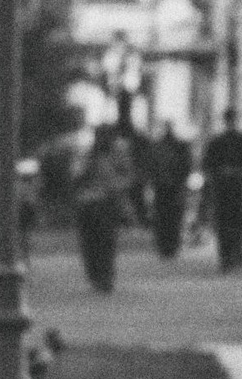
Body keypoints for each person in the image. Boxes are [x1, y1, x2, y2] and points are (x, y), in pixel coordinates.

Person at [73, 123, 136, 293]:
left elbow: (128, 177)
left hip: (107, 202)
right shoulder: (87, 154)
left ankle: (105, 276)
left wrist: (115, 185)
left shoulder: (118, 155)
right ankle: (95, 275)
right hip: (88, 202)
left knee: (106, 241)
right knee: (90, 242)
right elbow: (76, 176)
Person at [200, 110, 242, 273]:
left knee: (226, 221)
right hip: (234, 186)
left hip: (225, 186)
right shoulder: (241, 140)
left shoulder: (220, 141)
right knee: (235, 220)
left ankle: (228, 255)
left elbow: (207, 164)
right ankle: (233, 254)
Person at [144, 124, 192, 260]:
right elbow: (186, 167)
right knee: (173, 217)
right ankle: (171, 246)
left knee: (163, 217)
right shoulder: (180, 147)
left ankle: (165, 246)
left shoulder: (158, 147)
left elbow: (151, 167)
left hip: (162, 187)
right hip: (173, 187)